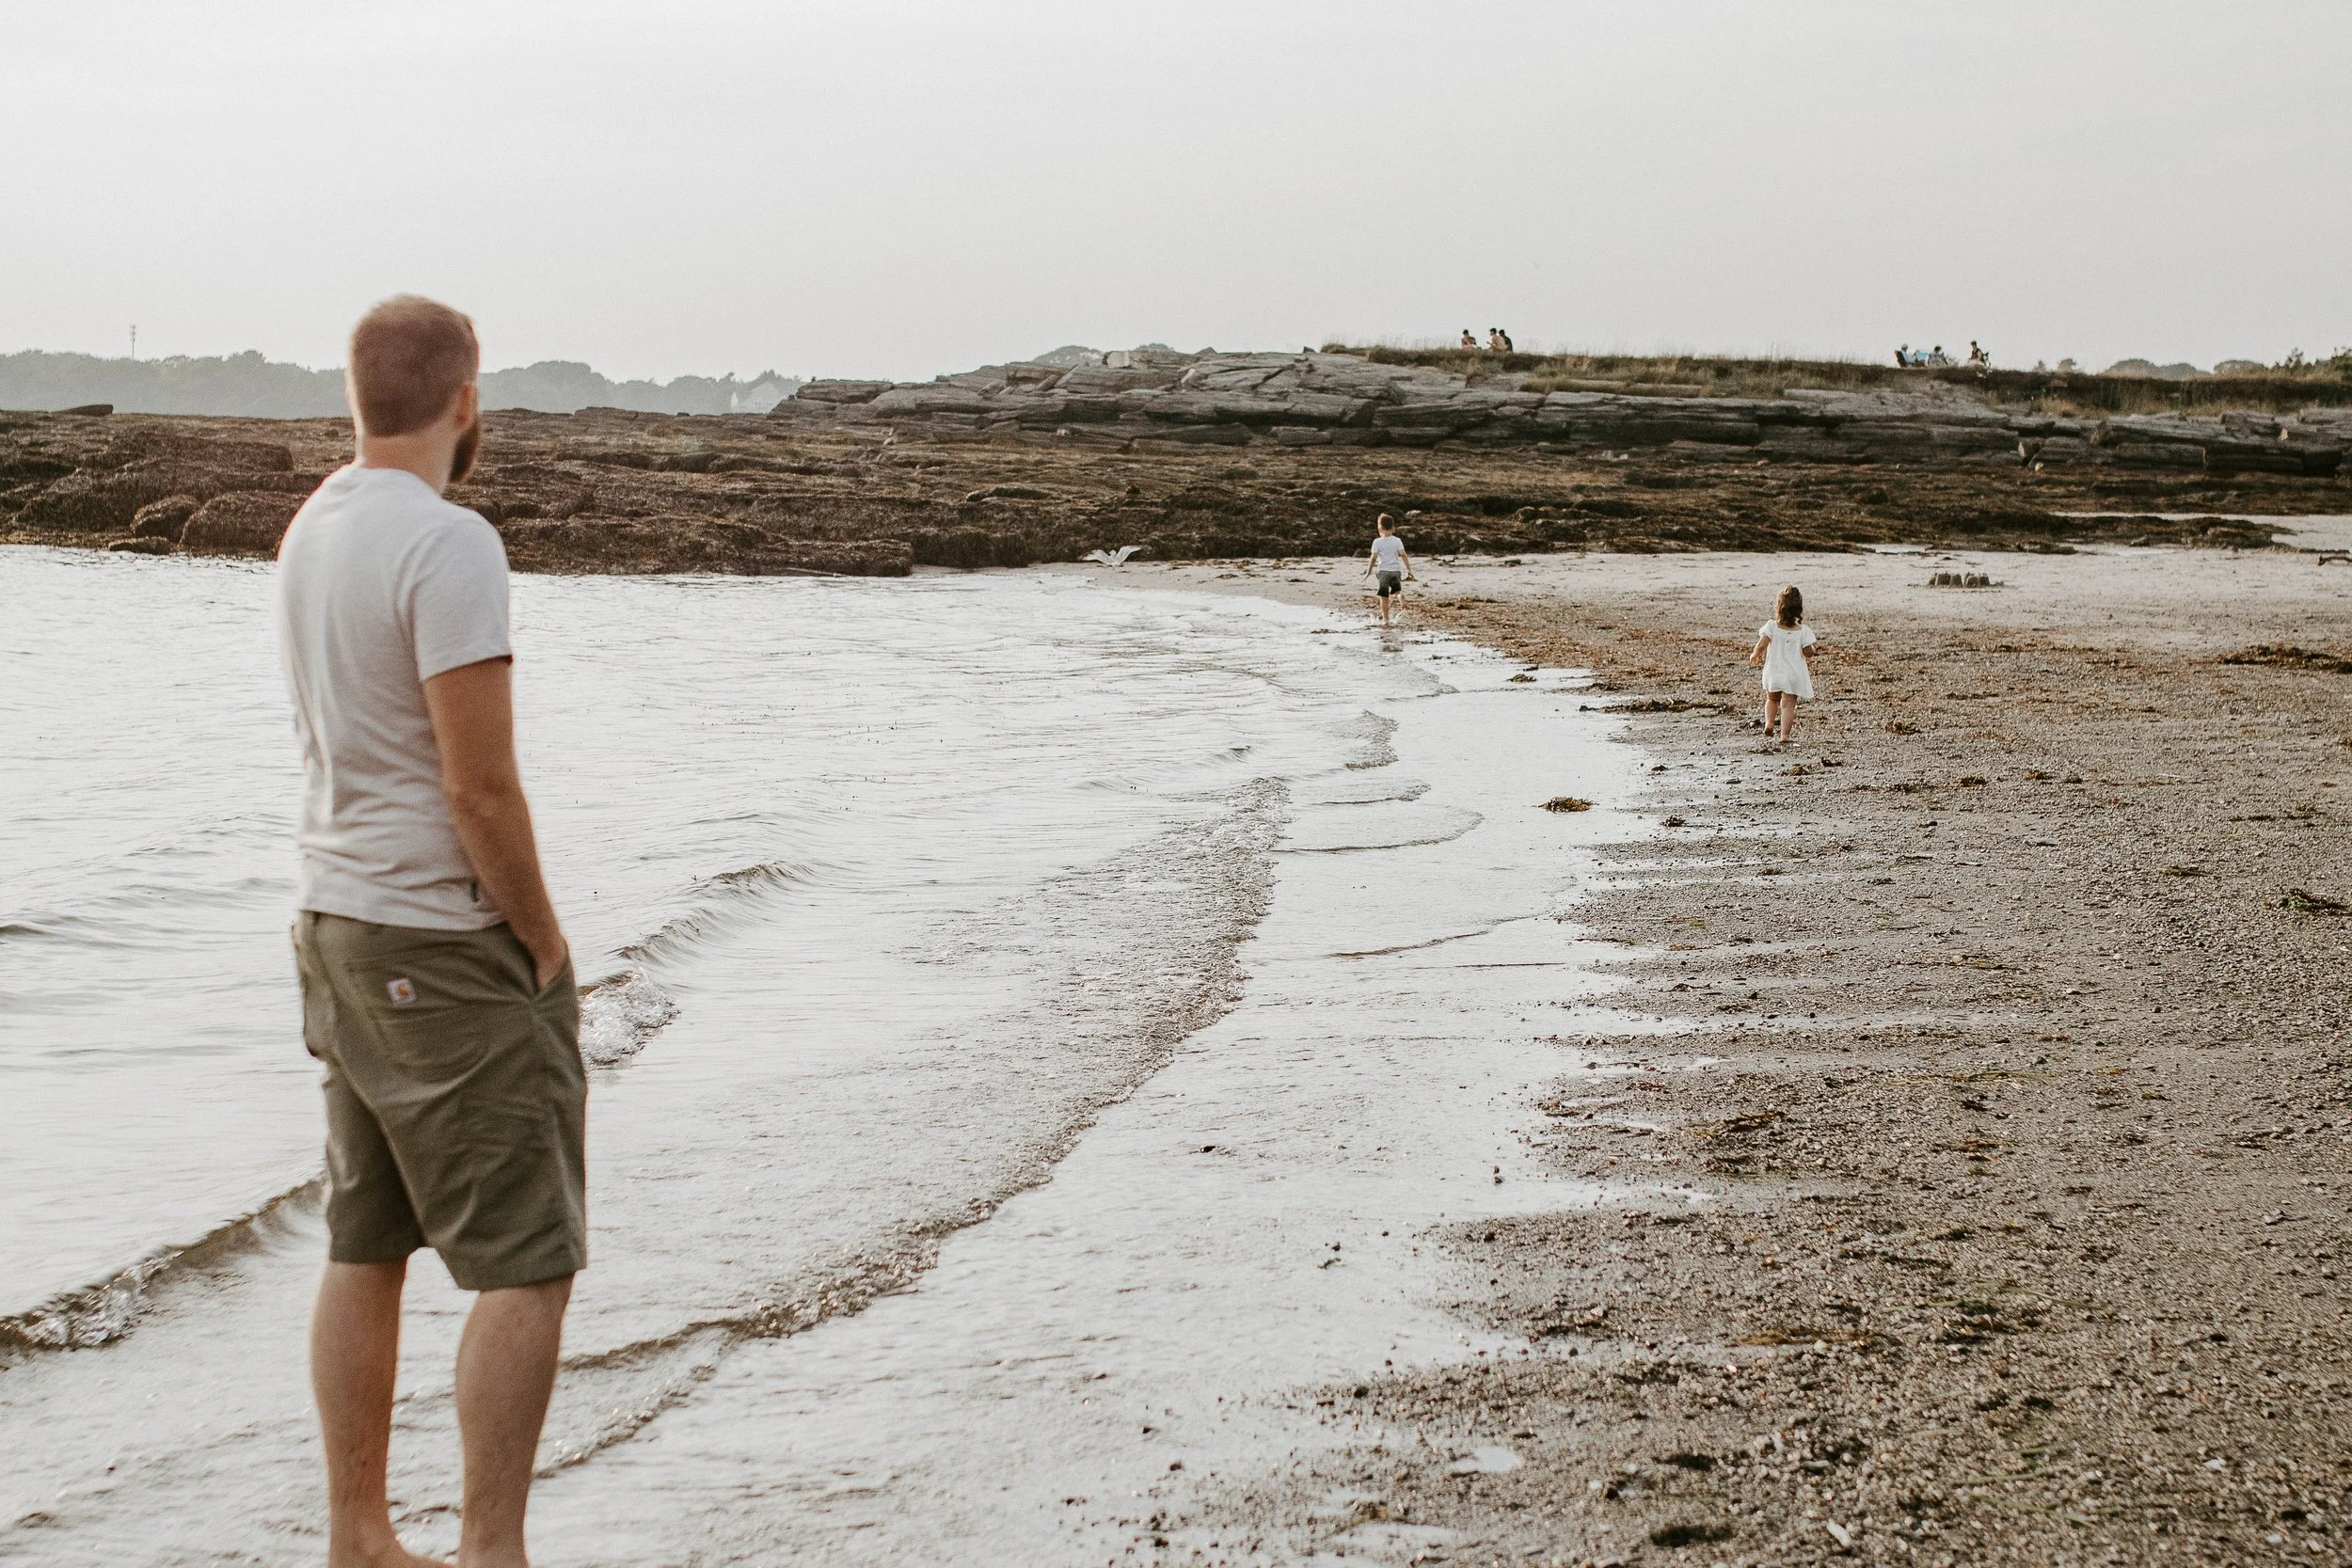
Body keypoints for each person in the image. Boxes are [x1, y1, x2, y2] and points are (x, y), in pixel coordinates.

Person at [278, 295, 583, 1568]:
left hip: (335, 919)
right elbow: (479, 786)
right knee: (528, 1260)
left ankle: (360, 1535)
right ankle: (490, 1550)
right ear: (466, 401)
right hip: (435, 944)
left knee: (367, 1239)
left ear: (357, 397)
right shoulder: (449, 542)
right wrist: (546, 941)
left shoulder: (314, 525)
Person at [1748, 583, 1817, 746]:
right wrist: (1812, 650)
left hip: (1774, 672)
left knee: (1771, 699)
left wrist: (1755, 654)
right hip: (1793, 675)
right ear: (1798, 610)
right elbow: (1808, 652)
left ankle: (1769, 723)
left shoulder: (1772, 627)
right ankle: (1784, 735)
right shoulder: (1803, 631)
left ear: (1778, 607)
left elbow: (1762, 644)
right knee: (1788, 705)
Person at [1364, 514, 1413, 626]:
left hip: (1383, 572)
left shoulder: (1377, 542)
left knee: (1384, 596)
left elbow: (1373, 558)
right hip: (1395, 571)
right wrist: (1409, 569)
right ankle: (1400, 597)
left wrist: (1368, 572)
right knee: (1396, 592)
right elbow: (1403, 555)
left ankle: (1386, 619)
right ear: (1393, 528)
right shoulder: (1397, 540)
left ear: (1379, 528)